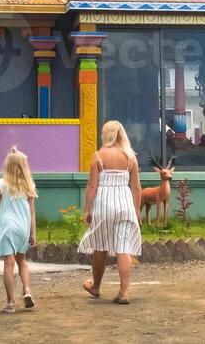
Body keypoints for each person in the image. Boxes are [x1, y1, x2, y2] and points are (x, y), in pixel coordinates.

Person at [78, 120, 144, 305]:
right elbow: (136, 187)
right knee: (123, 248)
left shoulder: (98, 157)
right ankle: (123, 292)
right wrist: (137, 209)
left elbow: (92, 186)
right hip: (125, 203)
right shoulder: (130, 157)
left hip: (104, 204)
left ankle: (96, 287)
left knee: (100, 246)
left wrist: (87, 209)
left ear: (105, 135)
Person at [0, 147, 38, 314]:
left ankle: (10, 302)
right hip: (23, 227)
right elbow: (32, 212)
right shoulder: (29, 185)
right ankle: (27, 290)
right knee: (22, 261)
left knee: (8, 264)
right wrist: (33, 233)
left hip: (8, 227)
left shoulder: (1, 185)